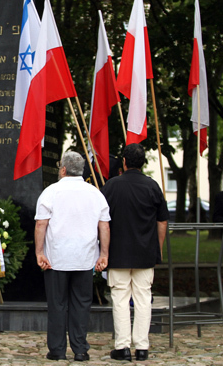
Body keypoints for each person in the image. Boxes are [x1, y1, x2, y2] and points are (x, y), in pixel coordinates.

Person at [34, 151, 110, 362]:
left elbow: (41, 223)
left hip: (56, 258)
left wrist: (39, 252)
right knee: (81, 304)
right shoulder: (95, 193)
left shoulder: (51, 191)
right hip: (84, 258)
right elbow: (104, 225)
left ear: (64, 170)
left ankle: (57, 349)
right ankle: (80, 349)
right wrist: (104, 254)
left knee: (57, 304)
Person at [101, 143, 169, 362]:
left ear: (123, 162)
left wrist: (103, 251)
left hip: (118, 253)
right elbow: (162, 222)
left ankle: (122, 347)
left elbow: (103, 222)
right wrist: (157, 248)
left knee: (120, 299)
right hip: (145, 253)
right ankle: (142, 347)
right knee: (143, 299)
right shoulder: (153, 187)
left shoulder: (111, 186)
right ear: (143, 163)